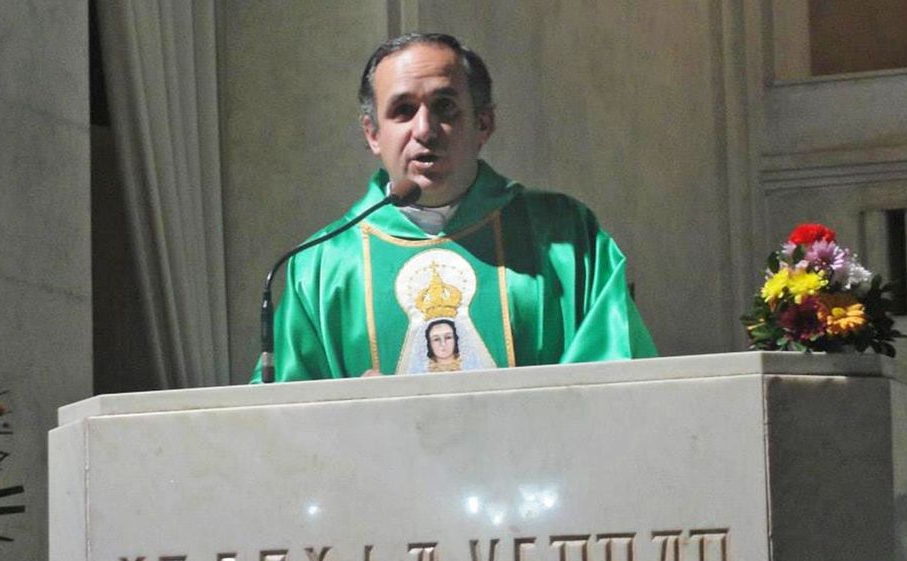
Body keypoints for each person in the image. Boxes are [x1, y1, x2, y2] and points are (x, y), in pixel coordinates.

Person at [251, 33, 656, 383]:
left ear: (483, 124)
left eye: (445, 107)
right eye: (403, 110)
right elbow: (282, 419)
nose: (424, 129)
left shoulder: (564, 238)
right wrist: (354, 412)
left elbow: (617, 375)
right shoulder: (322, 267)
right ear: (372, 133)